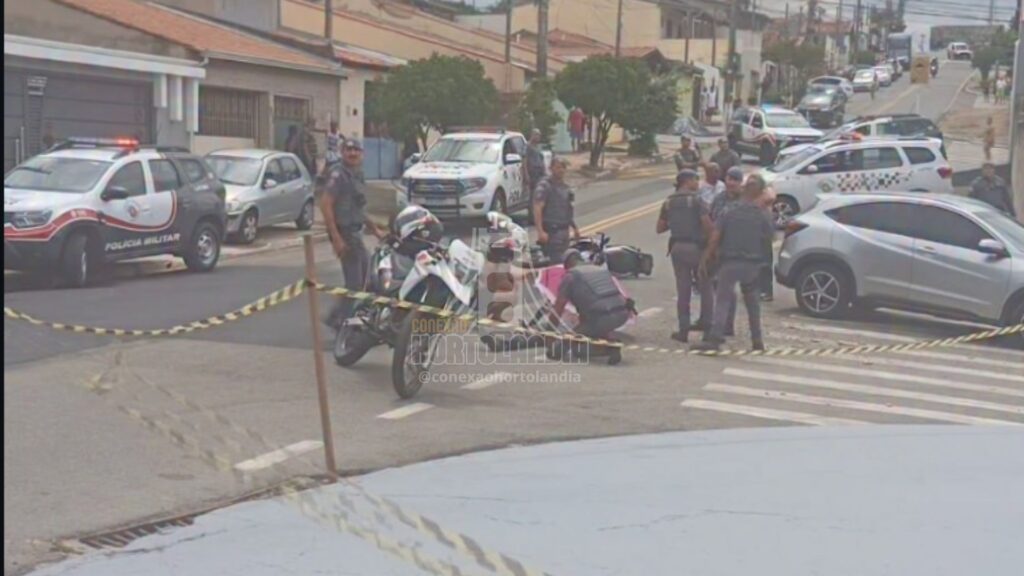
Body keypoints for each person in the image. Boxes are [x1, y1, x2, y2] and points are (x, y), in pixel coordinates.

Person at [691, 174, 776, 352]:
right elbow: (770, 237)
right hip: (752, 263)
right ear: (760, 192)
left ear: (744, 189)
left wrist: (707, 257)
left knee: (723, 300)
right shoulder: (763, 215)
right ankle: (757, 340)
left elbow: (715, 237)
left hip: (730, 262)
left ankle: (715, 339)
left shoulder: (729, 211)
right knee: (753, 303)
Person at [319, 138, 387, 330]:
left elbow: (358, 208)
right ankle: (340, 321)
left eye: (356, 150)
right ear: (342, 152)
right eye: (349, 150)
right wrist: (336, 238)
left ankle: (344, 317)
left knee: (367, 278)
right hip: (345, 234)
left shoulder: (357, 175)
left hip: (355, 233)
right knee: (355, 284)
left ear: (362, 154)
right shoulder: (338, 174)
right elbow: (325, 204)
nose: (352, 153)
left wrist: (375, 229)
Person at [657, 169, 715, 344]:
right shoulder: (697, 200)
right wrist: (710, 247)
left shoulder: (668, 202)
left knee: (683, 290)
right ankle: (707, 329)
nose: (698, 183)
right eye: (695, 180)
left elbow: (660, 228)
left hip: (677, 248)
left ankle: (683, 331)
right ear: (687, 181)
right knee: (706, 288)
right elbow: (707, 225)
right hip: (697, 248)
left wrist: (677, 222)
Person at [551, 249, 628, 365]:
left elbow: (558, 308)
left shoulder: (570, 276)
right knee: (587, 336)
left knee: (557, 351)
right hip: (622, 313)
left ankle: (609, 349)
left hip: (601, 317)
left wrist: (549, 330)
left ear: (567, 264)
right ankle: (607, 343)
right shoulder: (599, 269)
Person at [534, 157, 579, 263]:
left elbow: (568, 210)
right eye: (558, 167)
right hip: (551, 232)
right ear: (551, 168)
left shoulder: (566, 188)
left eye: (563, 167)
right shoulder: (545, 186)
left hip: (564, 232)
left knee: (567, 262)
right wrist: (540, 231)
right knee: (556, 263)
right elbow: (537, 207)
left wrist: (575, 228)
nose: (561, 170)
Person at [526, 128, 547, 194]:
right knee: (533, 191)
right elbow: (524, 160)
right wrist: (526, 174)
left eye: (539, 135)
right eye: (536, 135)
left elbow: (541, 159)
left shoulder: (538, 147)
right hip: (533, 173)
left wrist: (544, 170)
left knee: (540, 190)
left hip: (540, 172)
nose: (538, 137)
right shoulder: (528, 146)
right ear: (532, 135)